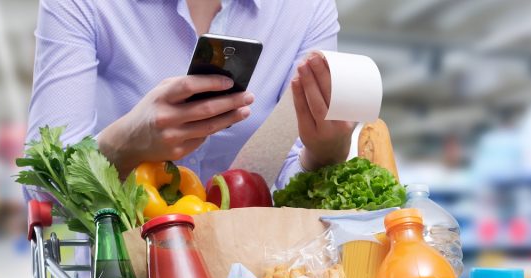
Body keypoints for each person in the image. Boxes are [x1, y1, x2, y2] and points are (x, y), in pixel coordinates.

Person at [27, 0, 356, 189]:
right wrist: (123, 145)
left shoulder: (305, 9)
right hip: (116, 266)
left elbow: (285, 176)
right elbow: (39, 181)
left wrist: (322, 154)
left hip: (243, 272)